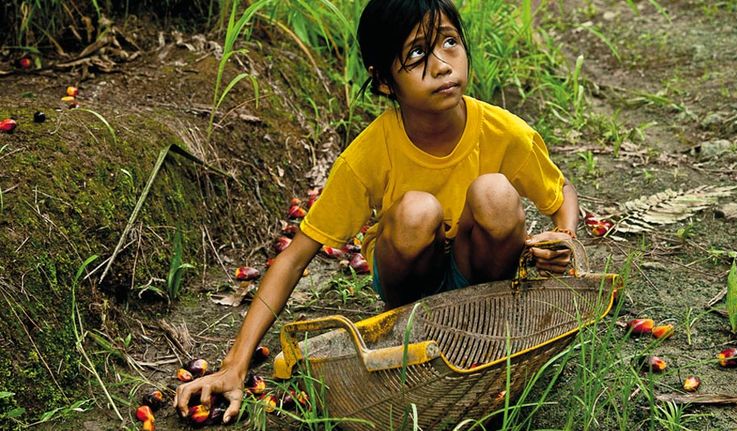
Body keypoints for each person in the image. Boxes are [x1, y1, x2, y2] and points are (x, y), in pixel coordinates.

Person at [175, 0, 578, 423]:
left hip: (478, 277)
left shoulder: (505, 132)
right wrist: (234, 365)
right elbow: (295, 258)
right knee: (416, 210)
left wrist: (563, 236)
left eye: (450, 42)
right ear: (384, 81)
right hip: (409, 288)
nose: (442, 65)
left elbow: (560, 193)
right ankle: (416, 329)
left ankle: (489, 322)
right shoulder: (368, 154)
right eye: (418, 54)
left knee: (495, 192)